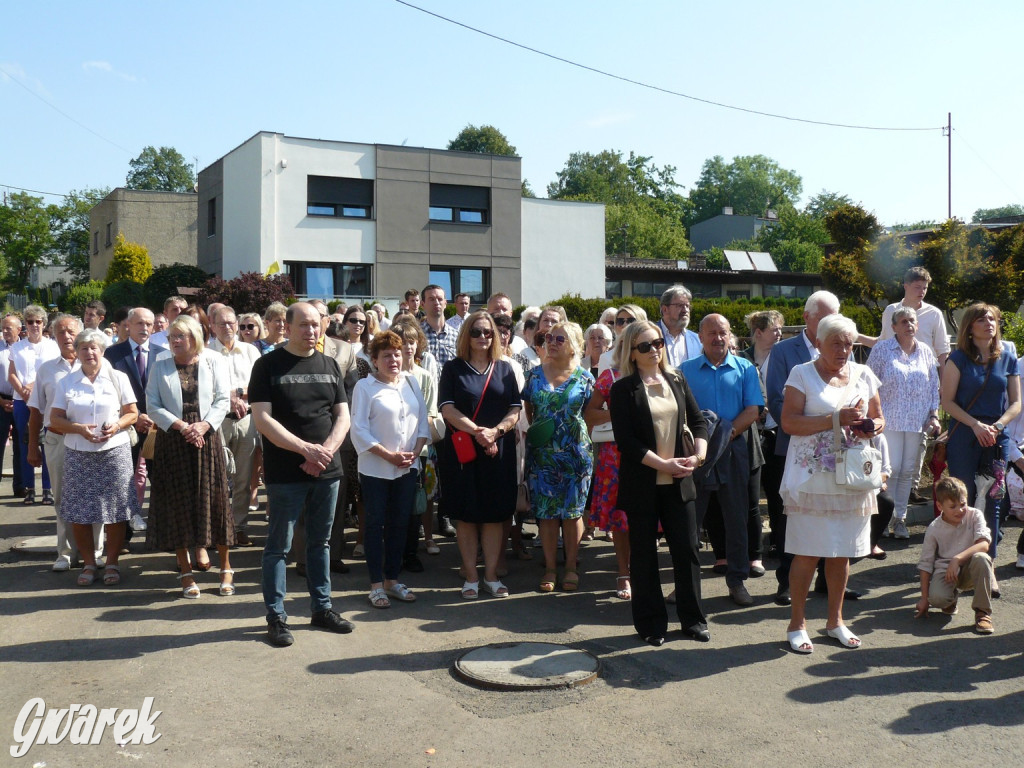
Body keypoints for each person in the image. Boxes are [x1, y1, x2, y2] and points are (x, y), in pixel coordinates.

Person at [779, 314, 884, 653]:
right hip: (813, 479)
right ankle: (797, 624)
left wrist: (871, 426)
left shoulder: (864, 374)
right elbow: (789, 423)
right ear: (819, 343)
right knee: (808, 552)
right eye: (836, 343)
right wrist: (835, 419)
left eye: (849, 343)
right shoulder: (802, 373)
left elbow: (879, 416)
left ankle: (835, 621)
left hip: (853, 477)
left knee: (842, 554)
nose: (843, 350)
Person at [250, 302, 354, 647]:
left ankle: (322, 608)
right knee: (279, 547)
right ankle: (276, 617)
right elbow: (263, 419)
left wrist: (323, 452)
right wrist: (304, 450)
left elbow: (343, 416)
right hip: (285, 472)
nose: (312, 331)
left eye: (317, 325)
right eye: (304, 325)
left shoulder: (329, 365)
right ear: (287, 326)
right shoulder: (266, 365)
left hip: (327, 470)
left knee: (320, 543)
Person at [609, 321, 710, 645]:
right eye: (645, 346)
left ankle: (693, 620)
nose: (654, 350)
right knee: (644, 556)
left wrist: (698, 457)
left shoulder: (677, 379)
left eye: (658, 343)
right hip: (644, 482)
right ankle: (652, 624)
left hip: (680, 481)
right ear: (632, 353)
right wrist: (663, 463)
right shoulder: (623, 389)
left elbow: (698, 421)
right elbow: (627, 441)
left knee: (687, 551)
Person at [146, 315, 235, 598]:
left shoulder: (213, 361)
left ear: (194, 338)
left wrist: (205, 425)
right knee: (178, 505)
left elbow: (223, 400)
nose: (174, 341)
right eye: (172, 336)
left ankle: (226, 568)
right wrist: (184, 426)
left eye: (180, 336)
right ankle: (185, 572)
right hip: (173, 440)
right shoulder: (159, 365)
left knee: (215, 502)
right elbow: (153, 404)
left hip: (207, 439)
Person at [765, 290, 842, 607]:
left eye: (835, 315)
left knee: (832, 512)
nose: (831, 323)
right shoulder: (784, 352)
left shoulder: (842, 348)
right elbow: (777, 399)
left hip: (836, 450)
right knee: (792, 516)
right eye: (825, 316)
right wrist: (821, 420)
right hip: (795, 448)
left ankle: (828, 579)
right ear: (807, 318)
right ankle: (787, 582)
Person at [437, 311, 521, 599]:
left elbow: (515, 408)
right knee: (467, 515)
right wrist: (478, 432)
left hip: (498, 450)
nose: (482, 337)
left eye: (487, 332)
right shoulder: (452, 369)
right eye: (476, 332)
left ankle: (491, 576)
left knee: (495, 515)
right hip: (464, 453)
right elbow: (447, 408)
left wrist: (496, 431)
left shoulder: (505, 369)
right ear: (466, 336)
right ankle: (471, 576)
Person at [681, 314, 763, 605]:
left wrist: (724, 436)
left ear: (730, 336)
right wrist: (704, 442)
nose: (718, 338)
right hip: (697, 455)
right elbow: (680, 414)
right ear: (700, 337)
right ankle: (683, 584)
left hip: (734, 451)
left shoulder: (745, 368)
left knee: (736, 519)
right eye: (712, 333)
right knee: (689, 521)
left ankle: (737, 581)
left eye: (723, 332)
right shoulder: (685, 371)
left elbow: (753, 410)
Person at [49, 328, 140, 587]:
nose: (89, 352)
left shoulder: (118, 378)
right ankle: (89, 563)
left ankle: (111, 562)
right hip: (78, 452)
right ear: (76, 353)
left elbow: (132, 412)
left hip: (114, 451)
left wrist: (118, 425)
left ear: (102, 351)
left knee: (116, 511)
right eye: (84, 348)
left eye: (94, 348)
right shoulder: (66, 382)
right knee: (80, 511)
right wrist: (77, 428)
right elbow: (54, 419)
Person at [350, 331, 430, 609]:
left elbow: (422, 422)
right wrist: (388, 455)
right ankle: (375, 585)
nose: (394, 359)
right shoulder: (365, 387)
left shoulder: (410, 382)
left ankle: (392, 581)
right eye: (386, 355)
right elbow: (358, 430)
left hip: (408, 467)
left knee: (400, 524)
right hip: (375, 469)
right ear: (374, 360)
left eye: (397, 354)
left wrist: (415, 451)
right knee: (375, 524)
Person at [940, 303, 1020, 558]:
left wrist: (997, 426)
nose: (989, 323)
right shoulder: (958, 358)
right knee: (964, 497)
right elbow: (947, 402)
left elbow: (1016, 403)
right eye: (982, 319)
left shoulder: (1007, 357)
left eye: (992, 318)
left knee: (995, 499)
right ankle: (959, 558)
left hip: (997, 435)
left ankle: (988, 564)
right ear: (970, 328)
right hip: (965, 433)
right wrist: (975, 425)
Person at [523, 321, 595, 593]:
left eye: (559, 339)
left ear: (574, 346)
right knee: (547, 513)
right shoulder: (534, 376)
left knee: (572, 512)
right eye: (549, 338)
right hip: (542, 455)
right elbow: (531, 413)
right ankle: (551, 567)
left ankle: (572, 566)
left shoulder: (586, 378)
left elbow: (590, 414)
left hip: (576, 454)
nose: (551, 342)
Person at [292, 299, 357, 576]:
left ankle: (335, 555)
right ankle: (304, 559)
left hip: (336, 438)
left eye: (319, 319)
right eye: (307, 320)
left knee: (337, 501)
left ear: (327, 323)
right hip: (301, 437)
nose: (314, 325)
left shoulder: (344, 350)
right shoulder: (289, 352)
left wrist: (335, 432)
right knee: (303, 502)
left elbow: (352, 392)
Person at [28, 315, 98, 572]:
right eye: (60, 332)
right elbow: (36, 411)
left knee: (94, 495)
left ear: (81, 333)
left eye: (71, 331)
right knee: (62, 497)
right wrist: (31, 446)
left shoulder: (97, 363)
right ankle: (66, 553)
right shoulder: (46, 369)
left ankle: (97, 551)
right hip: (57, 439)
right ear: (53, 336)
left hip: (92, 439)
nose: (66, 336)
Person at [866, 307, 940, 539]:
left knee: (908, 470)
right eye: (903, 321)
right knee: (891, 469)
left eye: (912, 321)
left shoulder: (926, 351)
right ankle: (883, 519)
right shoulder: (882, 350)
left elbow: (933, 386)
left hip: (916, 421)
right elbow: (867, 382)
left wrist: (934, 414)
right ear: (894, 326)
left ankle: (900, 519)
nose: (909, 325)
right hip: (890, 419)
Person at [105, 307, 164, 533]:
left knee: (160, 480)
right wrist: (135, 416)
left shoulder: (162, 353)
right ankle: (124, 537)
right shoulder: (112, 355)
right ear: (128, 325)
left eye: (149, 324)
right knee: (123, 481)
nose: (145, 328)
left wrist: (153, 417)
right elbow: (109, 393)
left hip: (156, 427)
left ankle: (160, 532)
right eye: (140, 323)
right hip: (125, 427)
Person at [584, 327, 632, 599]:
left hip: (651, 455)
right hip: (615, 457)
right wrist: (620, 413)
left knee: (645, 518)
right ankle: (624, 574)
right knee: (620, 520)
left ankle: (641, 572)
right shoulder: (609, 376)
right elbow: (590, 414)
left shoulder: (659, 376)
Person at [208, 306, 261, 548]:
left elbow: (260, 386)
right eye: (223, 324)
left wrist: (238, 394)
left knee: (243, 477)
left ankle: (239, 527)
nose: (229, 328)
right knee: (215, 476)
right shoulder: (206, 352)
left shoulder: (250, 352)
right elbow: (201, 388)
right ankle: (216, 528)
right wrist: (226, 398)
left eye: (233, 323)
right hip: (217, 420)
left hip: (247, 419)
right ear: (212, 325)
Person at [915, 477, 995, 634]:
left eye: (963, 504)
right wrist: (924, 598)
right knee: (937, 598)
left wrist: (957, 559)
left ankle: (982, 613)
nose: (960, 510)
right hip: (946, 572)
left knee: (982, 558)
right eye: (953, 506)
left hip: (970, 568)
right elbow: (925, 564)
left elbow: (984, 545)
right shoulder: (934, 528)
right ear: (939, 506)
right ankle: (950, 600)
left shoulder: (975, 515)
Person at [740, 310, 784, 561]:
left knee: (778, 491)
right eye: (774, 329)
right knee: (751, 493)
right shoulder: (743, 359)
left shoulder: (784, 357)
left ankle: (779, 540)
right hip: (753, 433)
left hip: (777, 431)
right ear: (758, 333)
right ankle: (751, 547)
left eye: (780, 329)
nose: (779, 334)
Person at [9, 304, 59, 505]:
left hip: (46, 400)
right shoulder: (17, 347)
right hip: (22, 400)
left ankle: (47, 488)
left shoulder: (52, 346)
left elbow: (52, 371)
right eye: (30, 322)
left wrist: (32, 384)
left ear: (43, 323)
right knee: (24, 443)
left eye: (38, 321)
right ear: (25, 325)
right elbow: (11, 373)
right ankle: (30, 488)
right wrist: (22, 390)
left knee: (48, 442)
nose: (34, 325)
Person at [0, 313, 25, 499]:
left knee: (21, 445)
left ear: (19, 329)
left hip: (20, 400)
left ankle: (21, 485)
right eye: (3, 327)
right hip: (0, 401)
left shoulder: (24, 349)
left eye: (9, 327)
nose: (5, 330)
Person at [657, 285, 702, 367]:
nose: (685, 310)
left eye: (687, 306)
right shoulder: (651, 336)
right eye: (680, 305)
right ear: (665, 309)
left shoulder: (697, 340)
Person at [421, 284, 458, 367]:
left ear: (445, 303)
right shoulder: (416, 334)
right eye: (431, 299)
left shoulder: (457, 336)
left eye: (440, 299)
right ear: (422, 304)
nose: (436, 303)